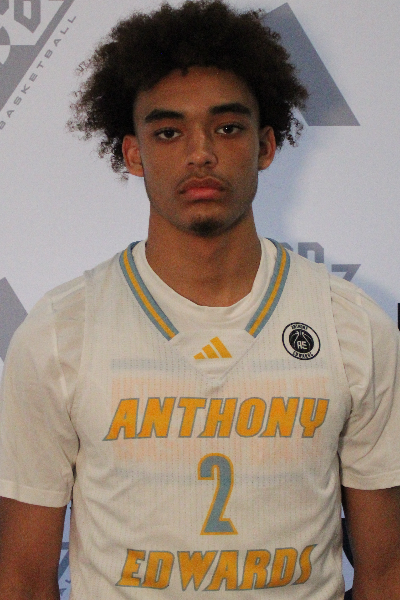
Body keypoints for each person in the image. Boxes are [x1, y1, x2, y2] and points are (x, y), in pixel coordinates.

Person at [0, 1, 399, 598]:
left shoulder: (352, 326)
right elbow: (23, 579)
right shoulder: (62, 331)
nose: (200, 152)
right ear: (133, 154)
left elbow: (386, 571)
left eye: (228, 127)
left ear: (266, 146)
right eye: (168, 131)